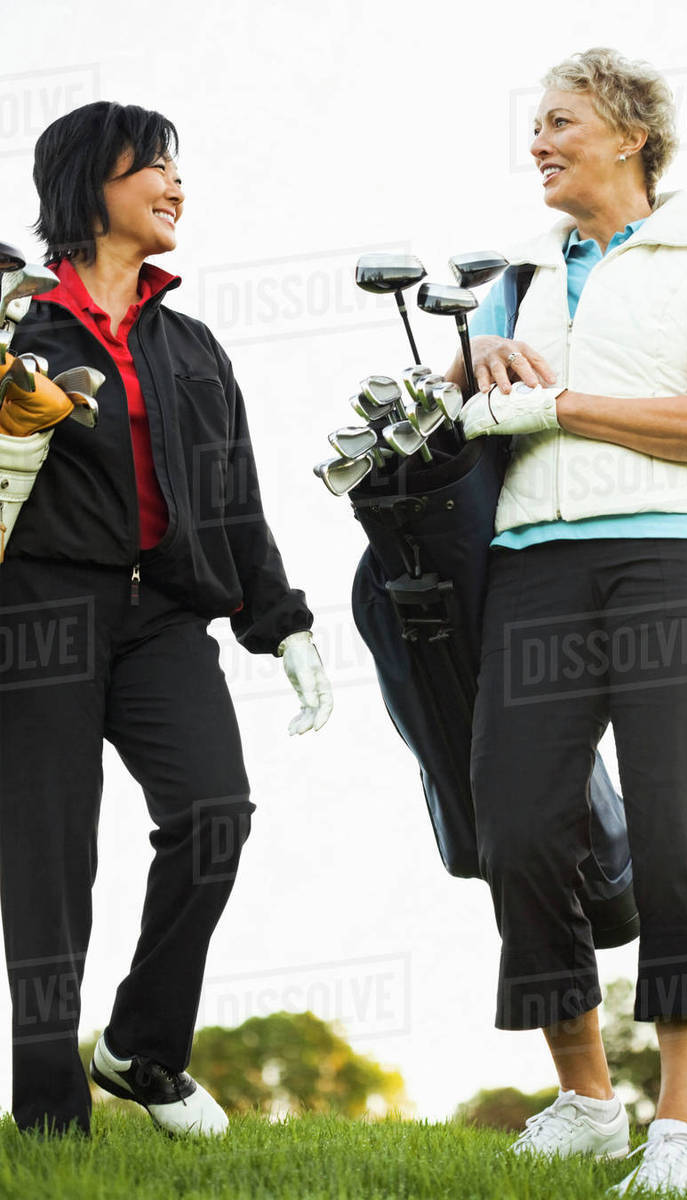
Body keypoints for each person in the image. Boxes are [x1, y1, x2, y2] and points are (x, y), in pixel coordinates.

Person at [447, 48, 687, 1196]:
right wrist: (477, 352)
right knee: (518, 829)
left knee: (676, 828)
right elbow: (471, 398)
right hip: (532, 567)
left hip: (672, 561)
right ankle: (585, 1100)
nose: (536, 142)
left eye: (557, 122)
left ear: (629, 134)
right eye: (533, 126)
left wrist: (564, 401)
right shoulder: (516, 273)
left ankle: (678, 1125)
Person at [1, 101, 333, 1137]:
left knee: (213, 815)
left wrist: (281, 622)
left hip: (161, 616)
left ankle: (141, 1049)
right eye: (155, 167)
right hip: (39, 604)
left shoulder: (190, 343)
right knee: (50, 862)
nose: (177, 186)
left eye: (178, 169)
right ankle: (52, 1119)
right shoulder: (17, 322)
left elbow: (234, 494)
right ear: (91, 185)